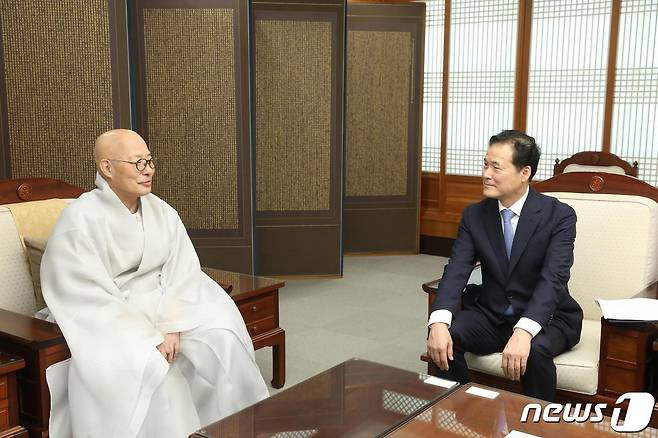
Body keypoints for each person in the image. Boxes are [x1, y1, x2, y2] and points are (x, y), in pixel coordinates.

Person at [41, 129, 269, 437]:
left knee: (224, 337)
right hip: (114, 314)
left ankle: (245, 428)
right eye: (137, 163)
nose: (148, 170)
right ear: (107, 168)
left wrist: (172, 322)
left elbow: (183, 270)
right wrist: (149, 335)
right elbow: (84, 292)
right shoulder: (79, 219)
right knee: (155, 367)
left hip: (164, 300)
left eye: (149, 161)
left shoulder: (162, 211)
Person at [426, 130, 583, 401]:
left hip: (548, 318)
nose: (486, 173)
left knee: (534, 350)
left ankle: (535, 427)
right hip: (493, 314)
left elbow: (553, 280)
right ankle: (468, 415)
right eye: (485, 164)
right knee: (445, 338)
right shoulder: (475, 215)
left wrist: (524, 330)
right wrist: (438, 321)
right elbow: (457, 269)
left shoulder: (559, 216)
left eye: (496, 167)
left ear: (525, 172)